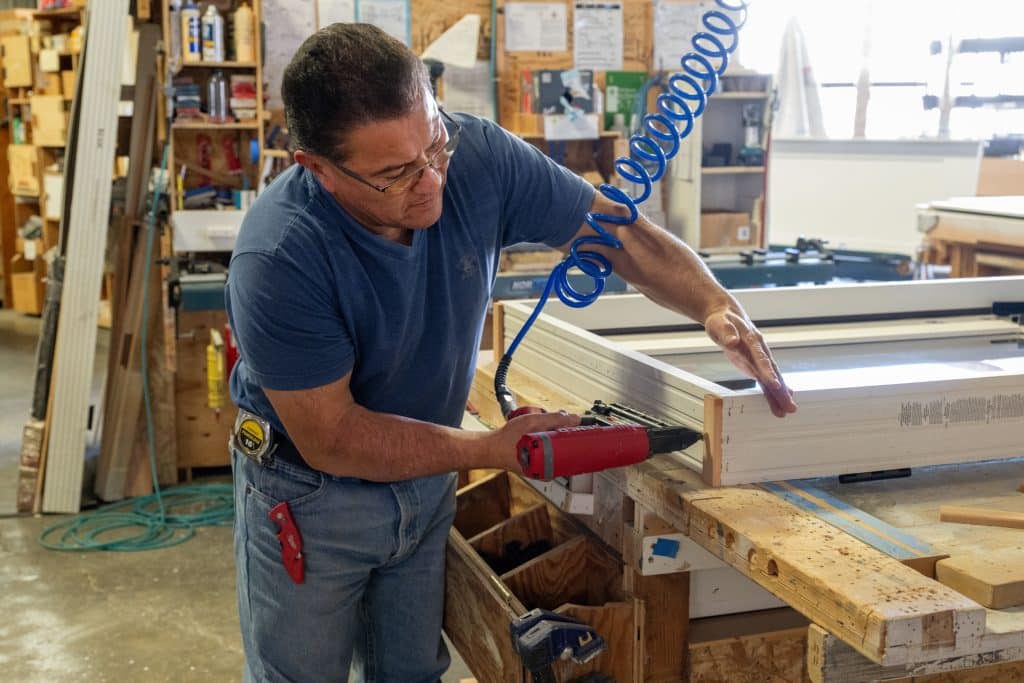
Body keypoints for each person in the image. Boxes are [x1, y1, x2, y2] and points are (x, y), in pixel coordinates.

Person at [225, 22, 797, 683]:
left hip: (423, 475)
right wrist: (485, 449)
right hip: (311, 493)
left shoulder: (480, 157)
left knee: (410, 674)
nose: (431, 180)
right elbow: (334, 436)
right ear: (316, 168)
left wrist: (713, 303)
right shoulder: (280, 255)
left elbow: (618, 234)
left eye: (434, 145)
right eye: (394, 173)